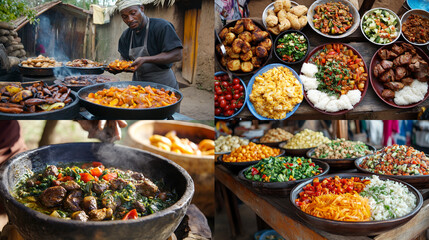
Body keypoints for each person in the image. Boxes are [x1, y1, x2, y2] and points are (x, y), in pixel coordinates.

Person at [115, 0, 183, 89]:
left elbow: (177, 55)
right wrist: (118, 67)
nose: (130, 19)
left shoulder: (161, 27)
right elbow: (123, 58)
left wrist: (145, 59)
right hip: (138, 85)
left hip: (163, 84)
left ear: (142, 9)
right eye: (125, 17)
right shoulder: (126, 36)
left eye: (133, 13)